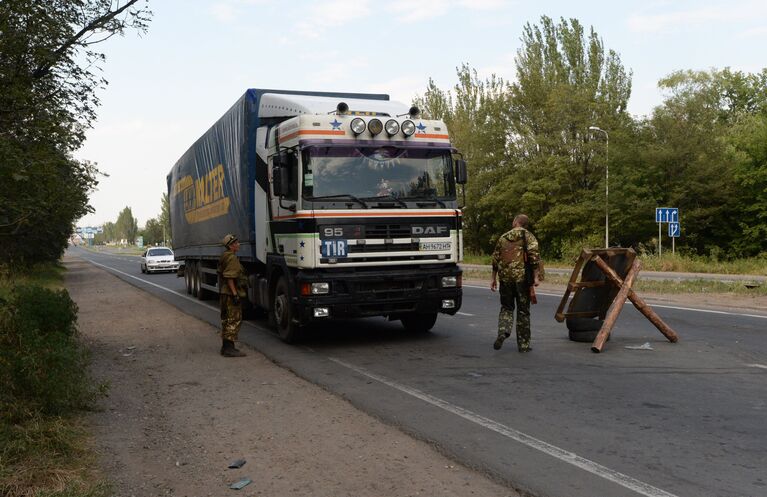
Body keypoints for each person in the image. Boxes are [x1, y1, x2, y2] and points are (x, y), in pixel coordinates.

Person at [490, 214, 541, 352]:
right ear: (525, 224)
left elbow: (495, 259)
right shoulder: (529, 237)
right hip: (522, 280)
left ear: (516, 222)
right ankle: (523, 345)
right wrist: (536, 278)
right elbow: (534, 258)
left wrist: (493, 278)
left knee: (506, 307)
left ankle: (503, 331)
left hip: (505, 279)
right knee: (523, 311)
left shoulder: (503, 237)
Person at [218, 234, 247, 357]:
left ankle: (225, 347)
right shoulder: (232, 258)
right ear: (231, 246)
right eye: (236, 243)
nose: (238, 244)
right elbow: (230, 277)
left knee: (226, 320)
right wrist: (235, 294)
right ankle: (229, 349)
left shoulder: (224, 256)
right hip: (230, 293)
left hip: (224, 292)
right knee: (234, 319)